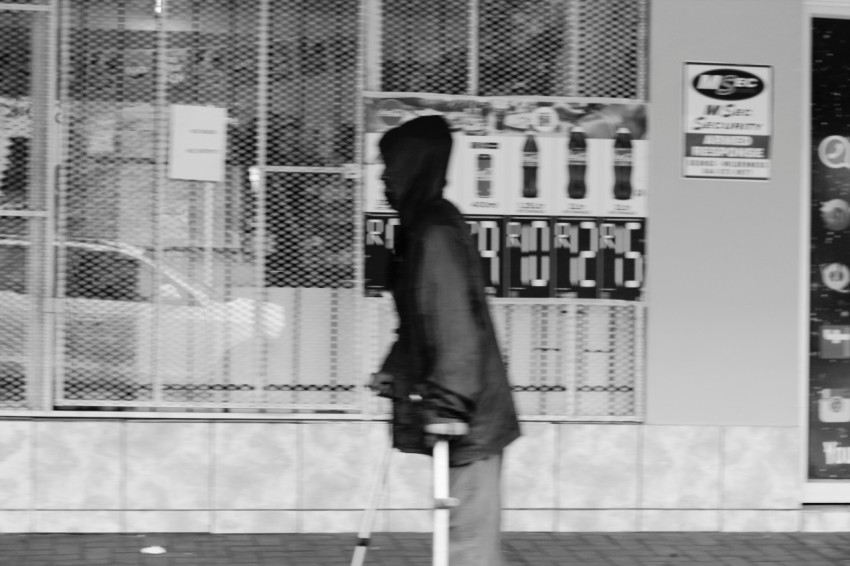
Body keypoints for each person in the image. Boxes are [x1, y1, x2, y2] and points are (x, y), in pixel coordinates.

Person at [370, 115, 521, 566]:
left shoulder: (434, 232)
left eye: (391, 168)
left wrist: (450, 405)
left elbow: (455, 321)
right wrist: (395, 370)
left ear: (415, 167)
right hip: (465, 406)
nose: (383, 179)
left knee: (467, 547)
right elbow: (420, 321)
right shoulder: (421, 227)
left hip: (471, 415)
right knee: (460, 538)